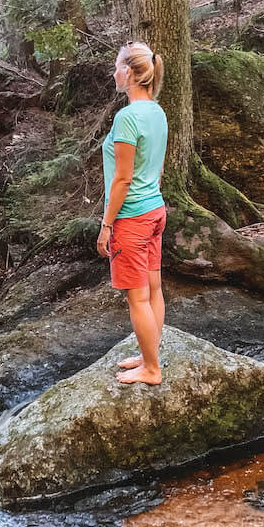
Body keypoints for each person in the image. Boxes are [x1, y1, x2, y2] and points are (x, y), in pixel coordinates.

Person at [97, 41, 168, 385]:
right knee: (154, 289)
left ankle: (151, 369)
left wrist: (107, 225)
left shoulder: (127, 118)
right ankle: (148, 353)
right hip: (155, 210)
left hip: (132, 218)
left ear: (129, 73)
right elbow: (158, 167)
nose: (114, 73)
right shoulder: (157, 111)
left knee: (137, 297)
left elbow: (123, 179)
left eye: (117, 67)